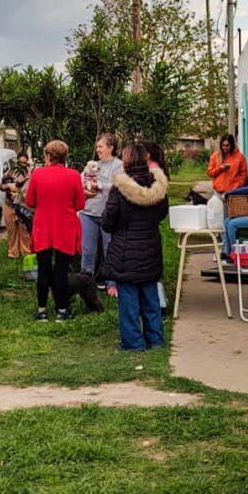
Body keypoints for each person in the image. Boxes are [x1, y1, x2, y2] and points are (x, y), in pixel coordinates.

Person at [102, 143, 169, 351]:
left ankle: (133, 343)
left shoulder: (119, 188)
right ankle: (155, 339)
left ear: (128, 160)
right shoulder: (158, 186)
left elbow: (108, 222)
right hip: (150, 246)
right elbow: (162, 214)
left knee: (129, 301)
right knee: (150, 297)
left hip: (125, 250)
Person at [24, 139, 85, 321]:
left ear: (49, 156)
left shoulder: (37, 174)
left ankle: (42, 310)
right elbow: (80, 203)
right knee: (61, 269)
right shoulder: (73, 175)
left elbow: (29, 202)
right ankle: (62, 310)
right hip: (65, 227)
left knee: (43, 268)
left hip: (43, 226)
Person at [79, 133, 124, 281]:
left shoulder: (119, 165)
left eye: (101, 146)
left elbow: (118, 186)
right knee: (88, 250)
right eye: (97, 146)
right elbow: (81, 180)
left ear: (110, 148)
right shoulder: (91, 164)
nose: (97, 149)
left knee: (109, 249)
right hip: (88, 213)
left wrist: (98, 185)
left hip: (108, 214)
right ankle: (86, 282)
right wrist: (84, 189)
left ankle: (112, 283)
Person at [1, 153, 32, 259]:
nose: (22, 165)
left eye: (25, 163)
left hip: (23, 205)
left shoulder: (30, 174)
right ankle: (13, 253)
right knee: (12, 230)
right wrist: (8, 185)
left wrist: (19, 192)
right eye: (20, 163)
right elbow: (1, 186)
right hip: (9, 204)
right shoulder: (11, 172)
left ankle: (26, 252)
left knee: (24, 230)